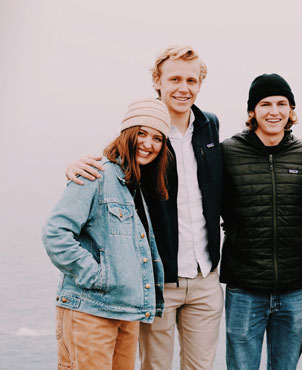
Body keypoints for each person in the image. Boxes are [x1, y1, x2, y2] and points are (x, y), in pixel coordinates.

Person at [64, 45, 224, 370]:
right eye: (175, 78)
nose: (183, 88)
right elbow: (115, 161)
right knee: (155, 366)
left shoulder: (210, 125)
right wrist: (75, 166)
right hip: (159, 280)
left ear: (200, 83)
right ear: (157, 81)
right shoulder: (145, 131)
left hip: (206, 275)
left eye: (191, 80)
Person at [43, 98, 170, 369]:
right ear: (127, 134)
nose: (149, 144)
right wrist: (96, 275)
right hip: (91, 312)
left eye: (157, 138)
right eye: (142, 133)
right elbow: (56, 233)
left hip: (126, 314)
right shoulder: (96, 174)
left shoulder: (135, 184)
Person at [220, 73, 302, 370]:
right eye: (265, 104)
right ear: (252, 111)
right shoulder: (227, 152)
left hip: (294, 291)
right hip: (244, 289)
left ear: (291, 110)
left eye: (281, 103)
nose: (273, 111)